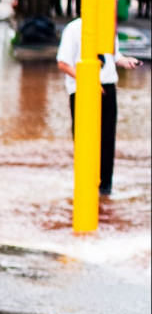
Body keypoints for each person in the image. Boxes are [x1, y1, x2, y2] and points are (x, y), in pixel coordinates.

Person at [56, 14, 142, 195]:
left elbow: (113, 56)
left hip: (107, 87)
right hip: (83, 89)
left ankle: (105, 188)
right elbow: (63, 63)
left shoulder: (108, 29)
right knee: (84, 140)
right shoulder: (74, 29)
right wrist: (89, 82)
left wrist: (126, 61)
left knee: (107, 138)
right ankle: (85, 186)